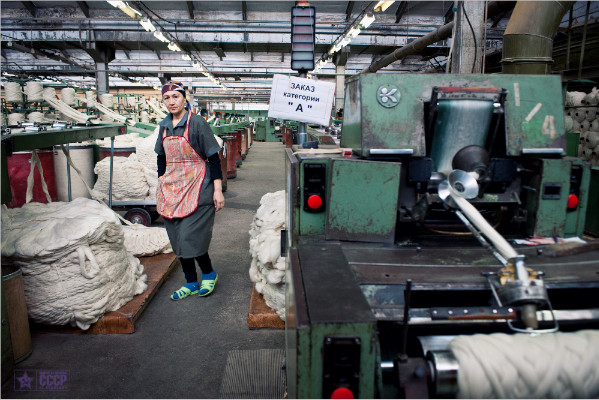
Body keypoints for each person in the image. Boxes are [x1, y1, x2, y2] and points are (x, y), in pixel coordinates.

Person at [155, 81, 225, 300]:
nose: (171, 101)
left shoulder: (197, 123)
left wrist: (218, 190)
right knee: (177, 239)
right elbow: (161, 157)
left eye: (176, 97)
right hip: (173, 188)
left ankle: (209, 273)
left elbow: (213, 158)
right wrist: (161, 183)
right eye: (167, 98)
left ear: (185, 98)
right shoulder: (164, 126)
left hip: (199, 185)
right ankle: (191, 282)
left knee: (190, 237)